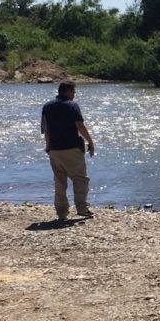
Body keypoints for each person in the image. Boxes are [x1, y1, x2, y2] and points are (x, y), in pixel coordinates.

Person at [41, 81, 95, 220]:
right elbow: (79, 125)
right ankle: (82, 208)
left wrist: (48, 146)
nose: (74, 95)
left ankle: (61, 212)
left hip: (54, 149)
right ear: (69, 91)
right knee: (80, 179)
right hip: (71, 147)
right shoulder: (72, 105)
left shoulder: (47, 106)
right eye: (73, 92)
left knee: (59, 181)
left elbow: (46, 130)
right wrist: (90, 141)